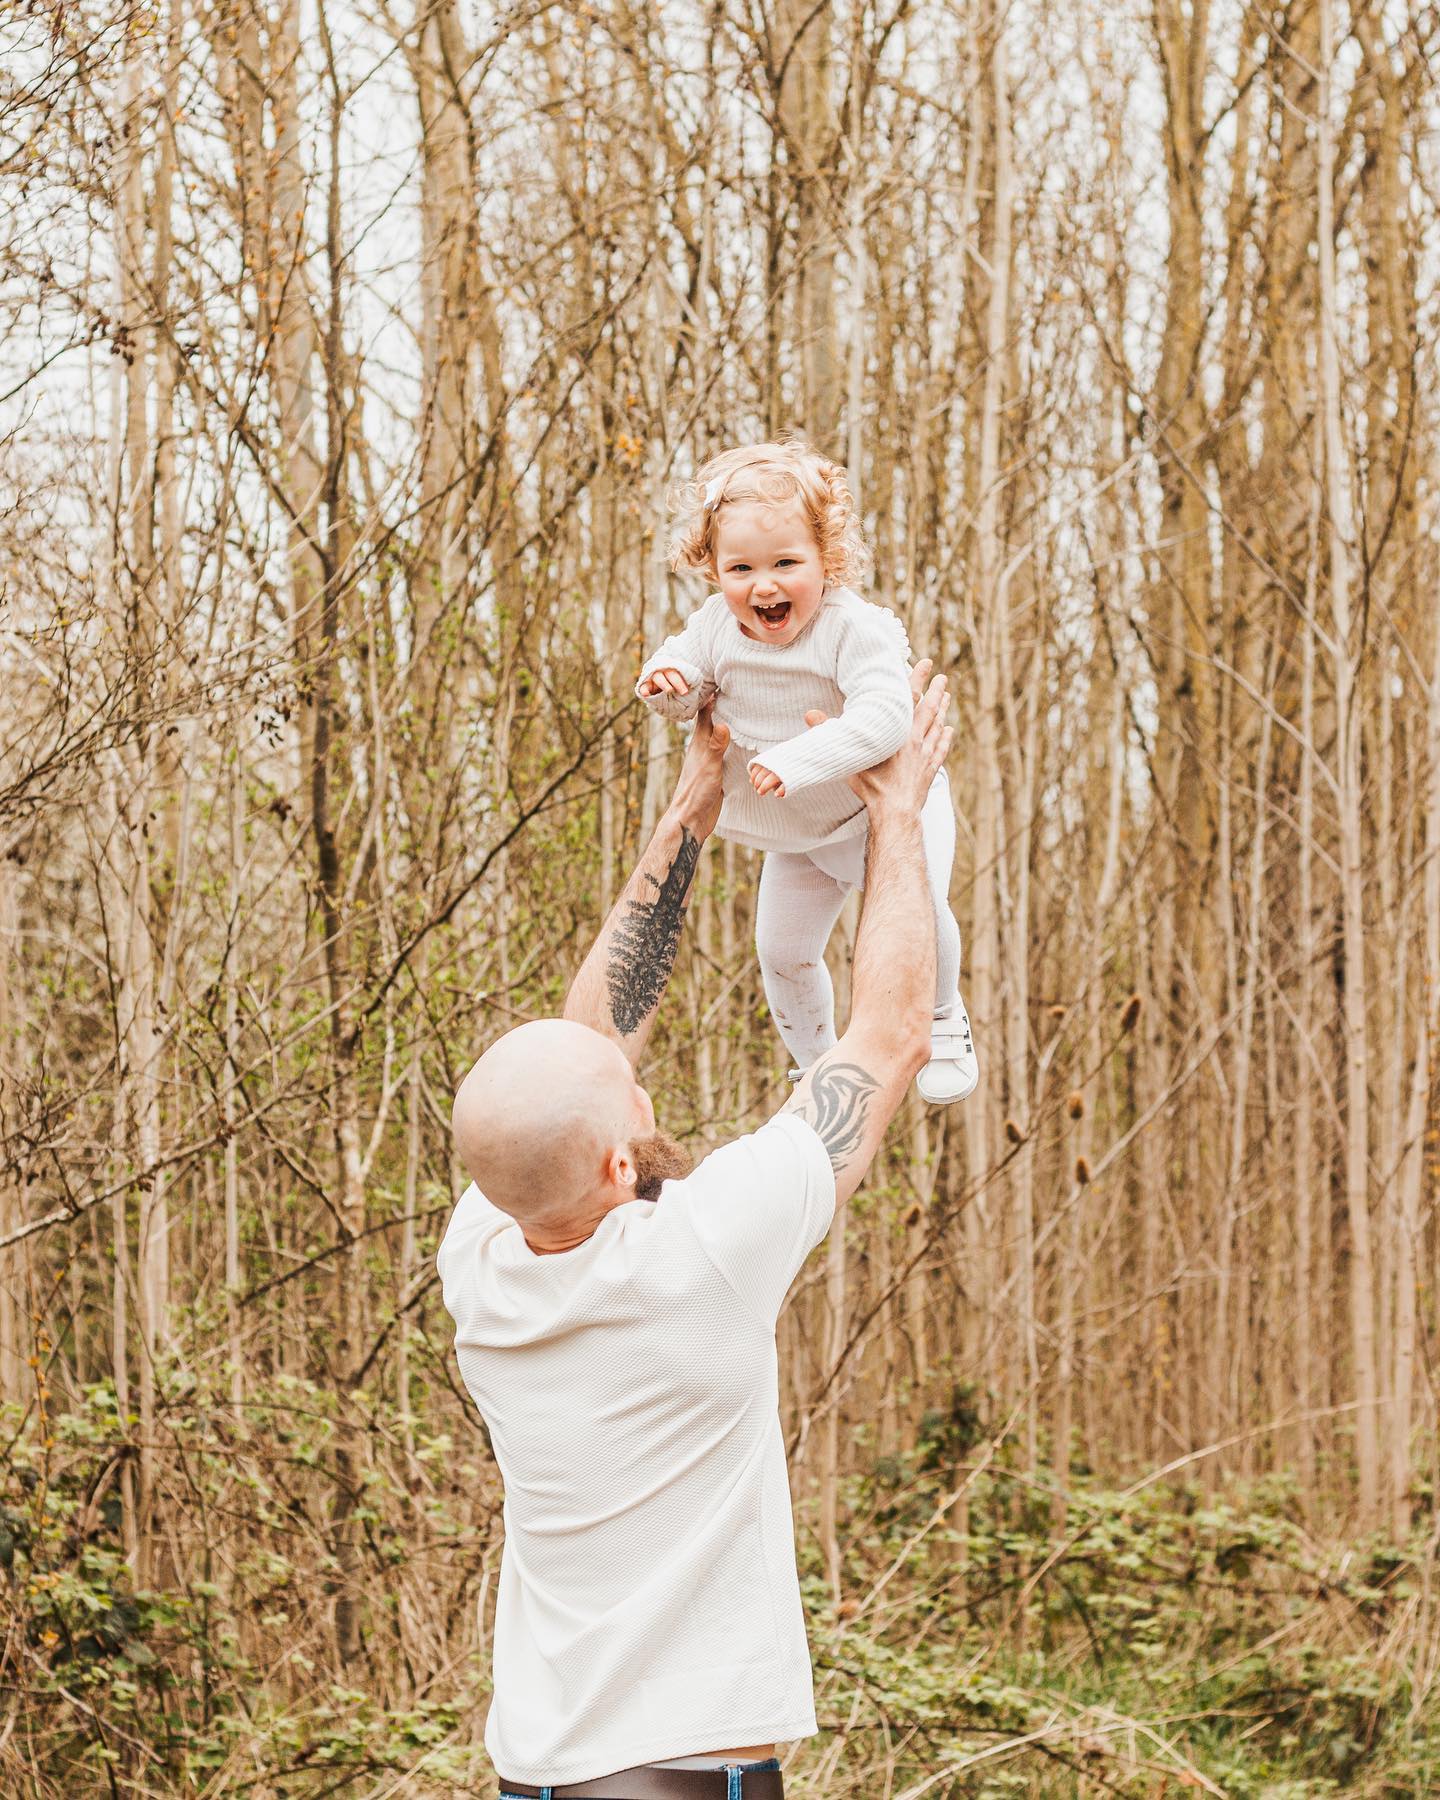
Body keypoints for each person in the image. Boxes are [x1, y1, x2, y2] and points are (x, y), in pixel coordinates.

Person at [438, 668, 953, 1800]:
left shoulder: (481, 1260)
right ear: (622, 1161)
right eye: (633, 1101)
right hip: (679, 1784)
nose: (638, 1088)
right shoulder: (702, 1252)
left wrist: (694, 804)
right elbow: (893, 1034)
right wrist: (897, 811)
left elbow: (583, 1054)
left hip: (539, 1775)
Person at [637, 440, 977, 1105]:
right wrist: (666, 685)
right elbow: (683, 691)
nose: (763, 585)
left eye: (787, 563)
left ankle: (943, 1019)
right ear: (713, 571)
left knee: (923, 912)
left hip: (880, 818)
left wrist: (794, 760)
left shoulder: (854, 628)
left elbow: (885, 721)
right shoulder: (714, 628)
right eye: (741, 568)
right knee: (781, 952)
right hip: (800, 836)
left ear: (828, 559)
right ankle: (822, 1068)